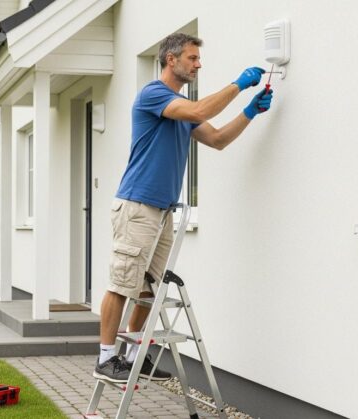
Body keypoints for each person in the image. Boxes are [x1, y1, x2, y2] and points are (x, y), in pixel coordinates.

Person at [93, 32, 274, 383]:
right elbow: (199, 109)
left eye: (197, 58)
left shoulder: (182, 108)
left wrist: (250, 112)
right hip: (137, 206)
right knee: (121, 283)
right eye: (192, 58)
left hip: (162, 212)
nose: (198, 64)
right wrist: (238, 85)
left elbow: (218, 140)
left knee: (149, 287)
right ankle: (105, 357)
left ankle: (132, 357)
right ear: (171, 60)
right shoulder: (154, 95)